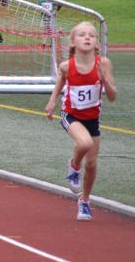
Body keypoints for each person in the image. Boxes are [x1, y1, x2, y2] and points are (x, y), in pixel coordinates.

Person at [45, 21, 117, 221]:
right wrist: (52, 102)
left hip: (92, 119)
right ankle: (74, 165)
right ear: (73, 42)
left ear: (97, 43)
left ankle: (84, 201)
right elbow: (60, 82)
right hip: (71, 115)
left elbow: (112, 97)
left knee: (92, 164)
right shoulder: (66, 66)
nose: (87, 38)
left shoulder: (103, 64)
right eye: (82, 35)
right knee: (84, 143)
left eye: (91, 35)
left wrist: (105, 81)